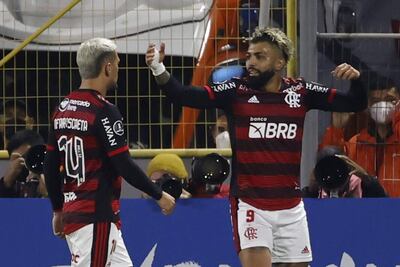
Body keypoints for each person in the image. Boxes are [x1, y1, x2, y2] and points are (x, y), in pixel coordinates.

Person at [146, 27, 367, 266]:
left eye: (260, 56)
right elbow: (185, 95)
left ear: (280, 62)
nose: (250, 62)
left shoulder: (301, 92)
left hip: (291, 207)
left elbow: (355, 103)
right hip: (251, 204)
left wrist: (357, 80)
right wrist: (158, 68)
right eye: (249, 55)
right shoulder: (235, 91)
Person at [44, 37, 175, 267]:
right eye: (117, 63)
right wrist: (158, 194)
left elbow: (50, 164)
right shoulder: (104, 111)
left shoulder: (62, 108)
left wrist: (57, 210)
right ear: (107, 67)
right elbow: (122, 163)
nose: (118, 68)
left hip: (78, 212)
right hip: (96, 216)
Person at [320, 78, 400, 197]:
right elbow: (328, 166)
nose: (383, 106)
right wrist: (336, 129)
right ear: (367, 106)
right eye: (375, 101)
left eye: (390, 100)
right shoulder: (356, 143)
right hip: (362, 209)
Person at [304, 146, 387, 198]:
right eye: (327, 171)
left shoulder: (366, 188)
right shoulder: (314, 193)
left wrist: (365, 177)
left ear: (348, 168)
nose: (333, 176)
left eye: (337, 170)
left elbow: (386, 210)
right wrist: (312, 188)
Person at [0, 129, 47, 198]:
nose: (26, 163)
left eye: (30, 157)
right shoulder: (13, 184)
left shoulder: (57, 179)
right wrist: (6, 184)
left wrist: (49, 194)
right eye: (21, 158)